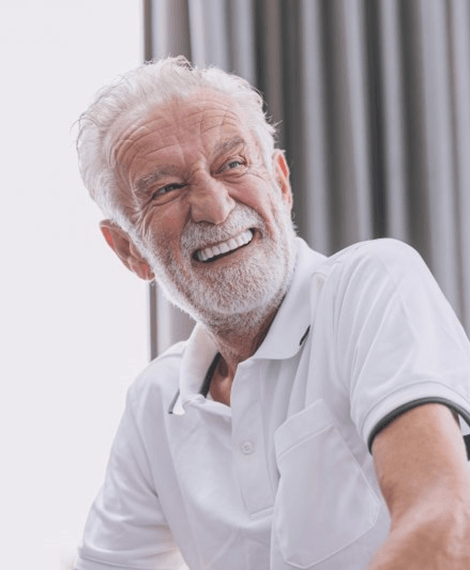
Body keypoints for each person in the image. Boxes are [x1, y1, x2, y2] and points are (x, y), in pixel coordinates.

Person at [74, 56, 470, 570]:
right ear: (129, 249)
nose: (214, 207)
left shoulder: (371, 283)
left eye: (232, 165)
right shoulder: (155, 403)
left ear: (280, 183)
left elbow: (445, 521)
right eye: (166, 189)